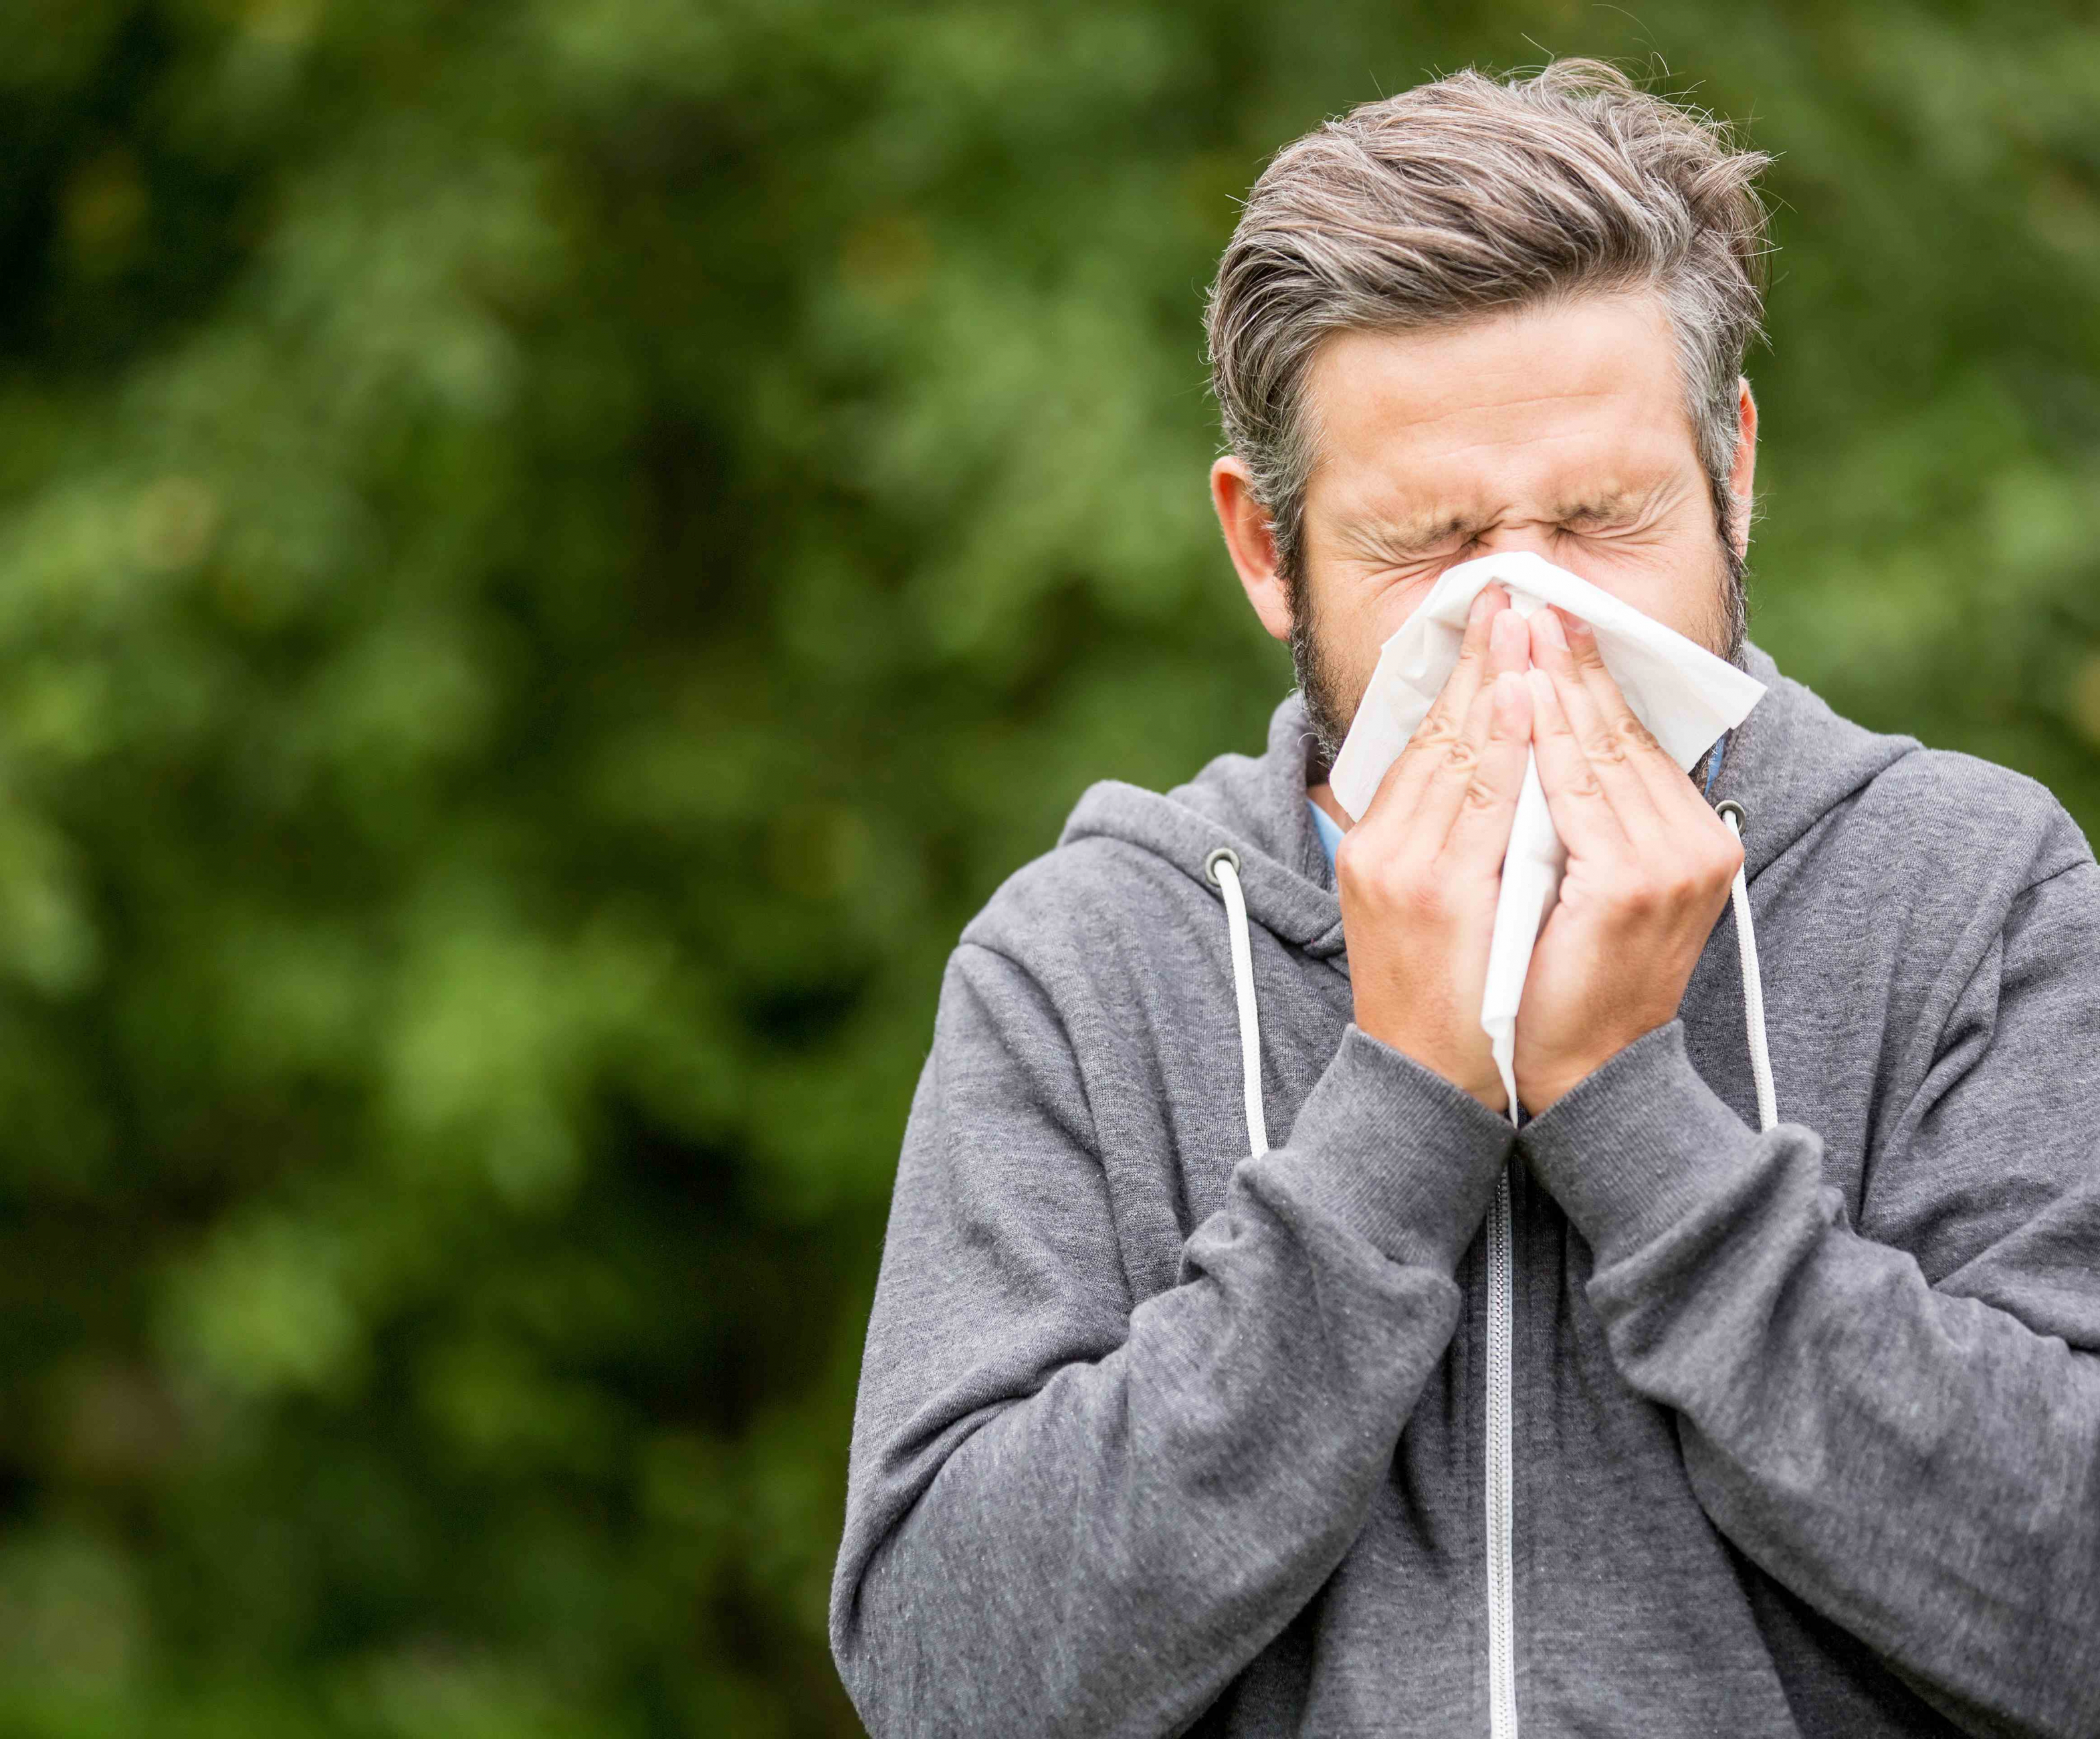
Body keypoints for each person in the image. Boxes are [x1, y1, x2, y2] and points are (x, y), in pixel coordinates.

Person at [827, 60, 2100, 1738]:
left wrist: (1635, 1118)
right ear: (1265, 550)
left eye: (1599, 517)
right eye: (1429, 544)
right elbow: (945, 1676)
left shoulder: (1970, 890)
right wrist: (1400, 1108)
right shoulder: (1089, 959)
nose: (1529, 624)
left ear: (1731, 468)